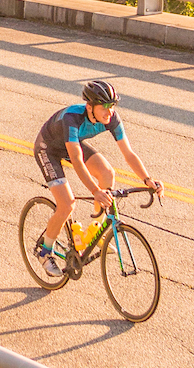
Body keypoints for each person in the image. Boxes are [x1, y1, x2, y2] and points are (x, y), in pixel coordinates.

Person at [31, 78, 161, 268]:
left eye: (112, 106)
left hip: (70, 145)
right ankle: (45, 250)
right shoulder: (72, 118)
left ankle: (96, 232)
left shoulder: (112, 118)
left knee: (107, 173)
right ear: (89, 106)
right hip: (48, 149)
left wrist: (147, 179)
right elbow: (76, 159)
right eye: (104, 107)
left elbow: (128, 154)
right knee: (67, 204)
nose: (109, 112)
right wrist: (95, 191)